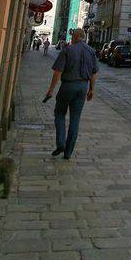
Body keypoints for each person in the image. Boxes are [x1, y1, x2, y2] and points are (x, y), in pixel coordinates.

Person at [43, 27, 98, 160]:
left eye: (72, 37)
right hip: (83, 86)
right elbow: (94, 72)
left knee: (59, 113)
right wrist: (91, 89)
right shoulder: (91, 51)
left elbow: (58, 71)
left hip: (68, 85)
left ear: (75, 37)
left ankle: (61, 143)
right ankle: (68, 152)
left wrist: (51, 90)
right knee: (75, 119)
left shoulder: (68, 49)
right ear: (83, 37)